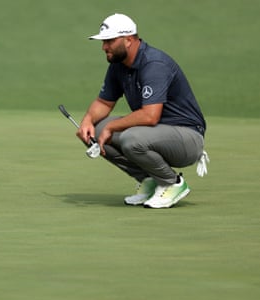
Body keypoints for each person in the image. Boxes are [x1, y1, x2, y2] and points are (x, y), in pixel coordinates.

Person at [76, 13, 209, 208]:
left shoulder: (154, 64)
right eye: (103, 42)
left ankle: (172, 183)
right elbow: (104, 103)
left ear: (128, 40)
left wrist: (112, 126)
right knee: (94, 131)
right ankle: (150, 180)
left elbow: (150, 115)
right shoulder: (118, 64)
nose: (104, 47)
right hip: (155, 134)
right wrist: (87, 120)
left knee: (132, 139)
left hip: (187, 138)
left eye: (109, 41)